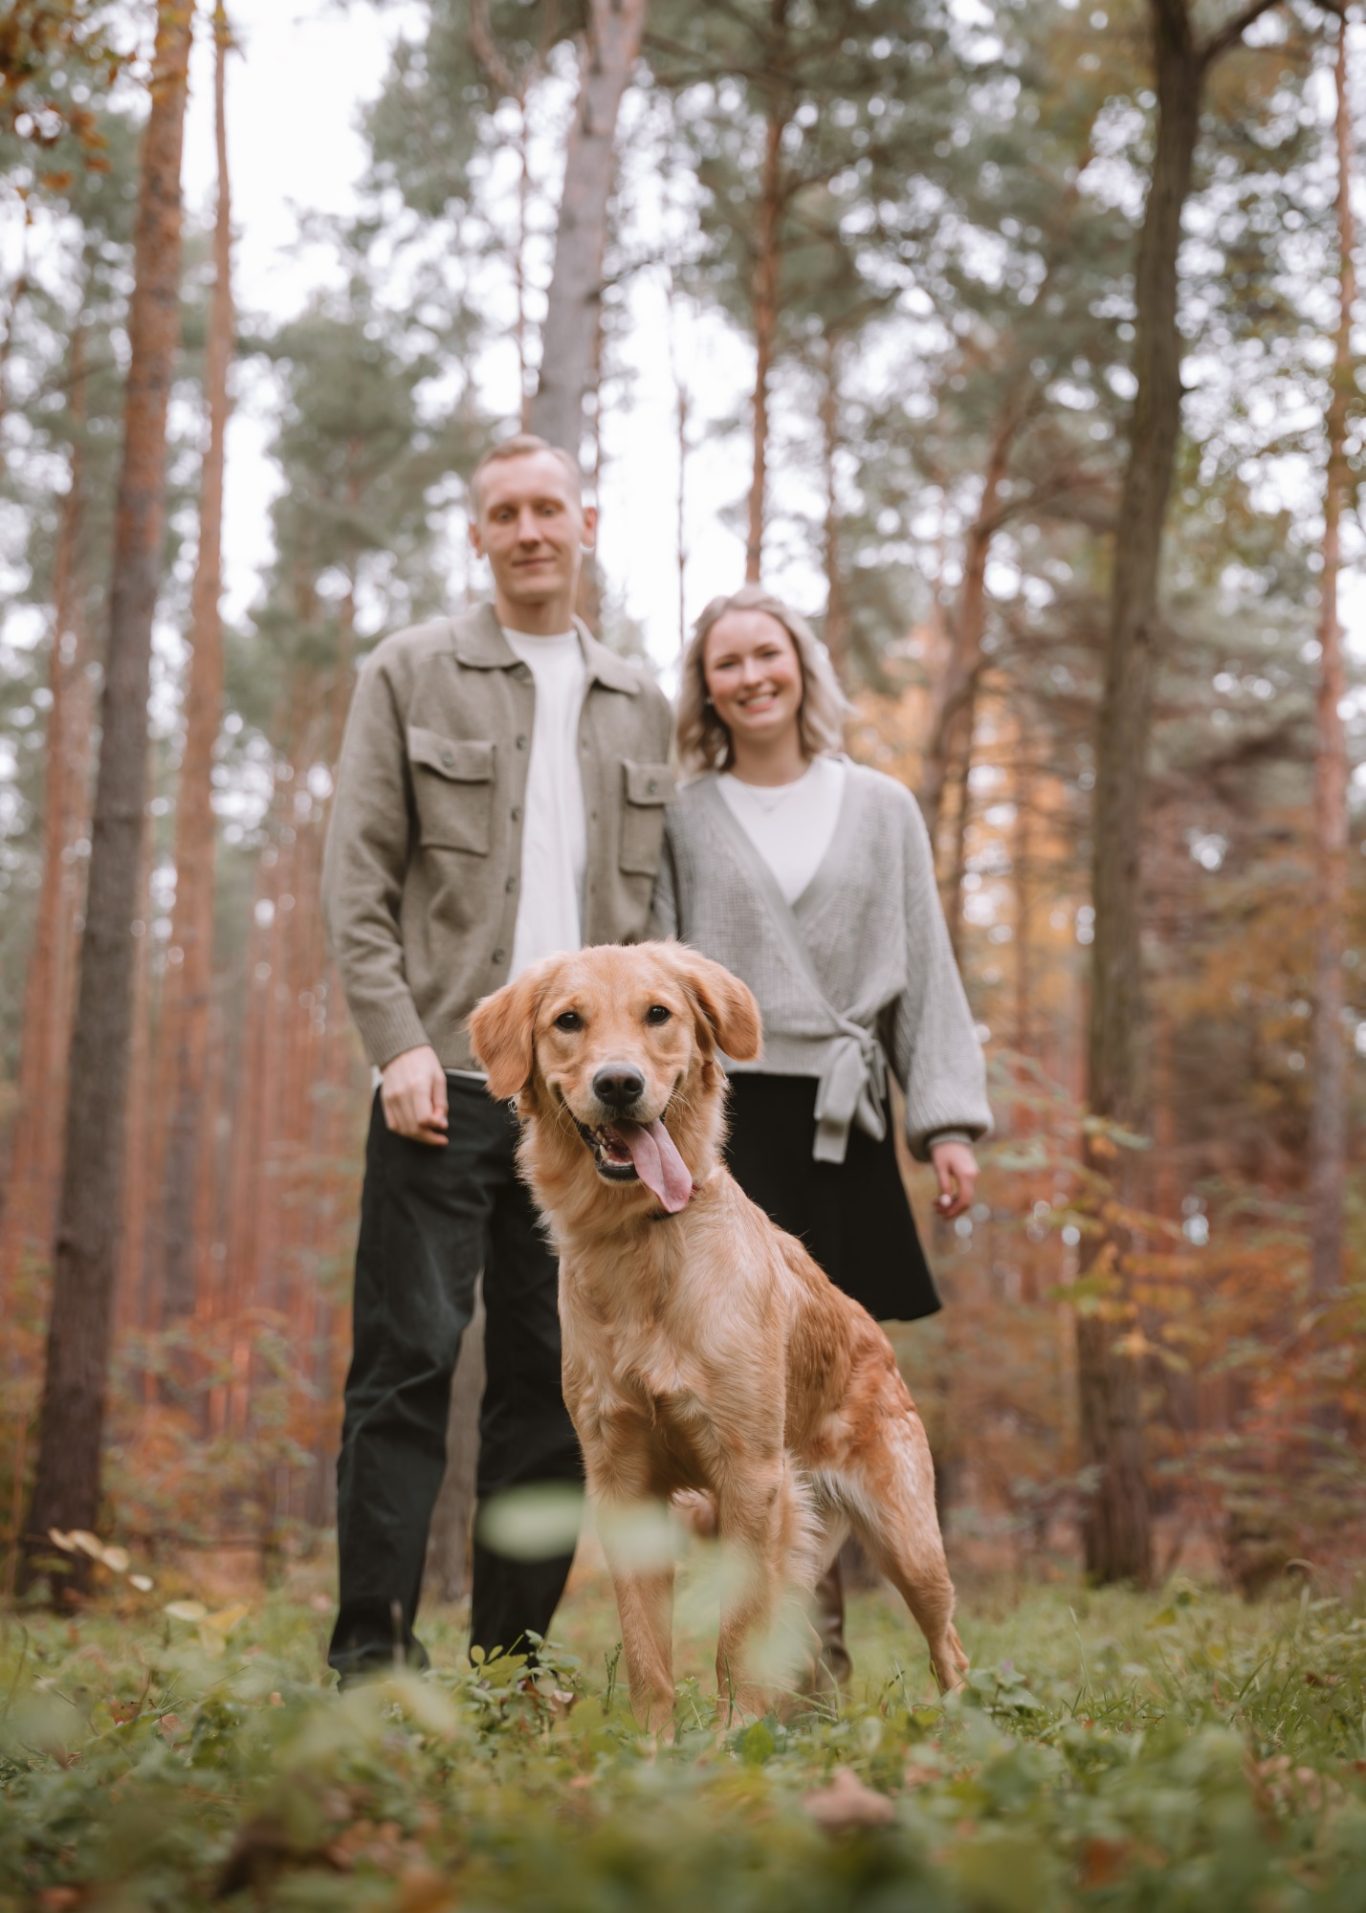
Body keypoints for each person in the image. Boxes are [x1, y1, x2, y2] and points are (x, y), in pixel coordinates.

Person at [321, 433, 673, 1682]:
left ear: (586, 519)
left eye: (548, 508)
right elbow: (356, 883)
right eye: (502, 512)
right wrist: (397, 1044)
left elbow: (666, 913)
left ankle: (509, 1670)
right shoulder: (410, 670)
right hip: (440, 1086)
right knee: (405, 1363)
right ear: (476, 534)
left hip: (592, 1118)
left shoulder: (640, 700)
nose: (528, 530)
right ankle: (371, 1659)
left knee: (554, 1380)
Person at [649, 582, 991, 1685]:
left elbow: (927, 974)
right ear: (705, 689)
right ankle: (773, 1662)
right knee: (730, 1403)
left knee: (831, 1401)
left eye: (766, 653)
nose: (749, 676)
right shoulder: (683, 815)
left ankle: (814, 1651)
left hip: (846, 1120)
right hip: (722, 1128)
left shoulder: (882, 806)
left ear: (801, 665)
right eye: (724, 662)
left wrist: (944, 1122)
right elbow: (653, 978)